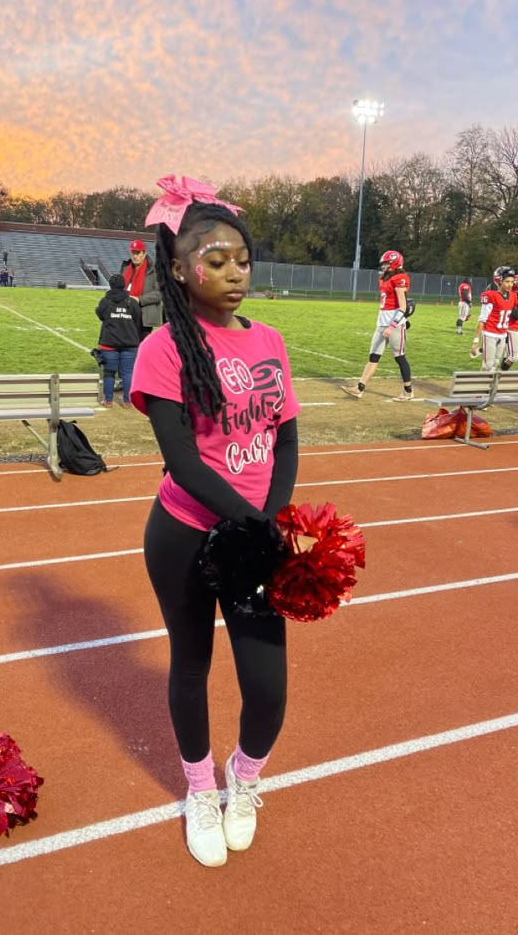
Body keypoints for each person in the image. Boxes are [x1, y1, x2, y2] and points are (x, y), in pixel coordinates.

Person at [130, 175, 300, 868]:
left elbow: (285, 439)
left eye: (242, 259)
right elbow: (184, 464)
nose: (234, 273)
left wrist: (274, 517)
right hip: (185, 532)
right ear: (179, 267)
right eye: (216, 260)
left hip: (257, 532)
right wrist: (252, 524)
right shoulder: (164, 348)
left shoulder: (271, 340)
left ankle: (244, 777)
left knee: (268, 685)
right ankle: (200, 788)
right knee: (191, 662)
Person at [340, 249, 414, 400]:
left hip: (395, 325)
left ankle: (408, 391)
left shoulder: (400, 278)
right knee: (373, 356)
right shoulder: (384, 278)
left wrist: (392, 326)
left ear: (394, 263)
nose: (384, 266)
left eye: (387, 263)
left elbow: (403, 306)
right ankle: (360, 388)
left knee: (399, 357)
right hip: (382, 323)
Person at [95, 273, 142, 407]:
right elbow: (138, 318)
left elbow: (100, 315)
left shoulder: (105, 301)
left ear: (110, 285)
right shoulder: (131, 302)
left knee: (109, 372)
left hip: (109, 342)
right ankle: (127, 401)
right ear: (124, 285)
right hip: (130, 342)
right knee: (127, 373)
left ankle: (108, 400)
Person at [470, 266, 517, 371]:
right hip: (490, 334)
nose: (510, 284)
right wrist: (475, 341)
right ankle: (480, 385)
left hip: (503, 334)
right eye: (507, 281)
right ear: (499, 281)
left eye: (512, 282)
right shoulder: (491, 296)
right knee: (487, 365)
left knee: (495, 364)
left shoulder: (513, 296)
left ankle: (489, 386)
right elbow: (482, 320)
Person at [120, 240, 162, 340]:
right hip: (125, 313)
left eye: (138, 253)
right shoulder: (125, 268)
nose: (135, 256)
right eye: (133, 253)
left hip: (143, 316)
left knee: (140, 346)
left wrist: (139, 299)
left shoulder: (154, 270)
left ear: (144, 254)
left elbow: (159, 294)